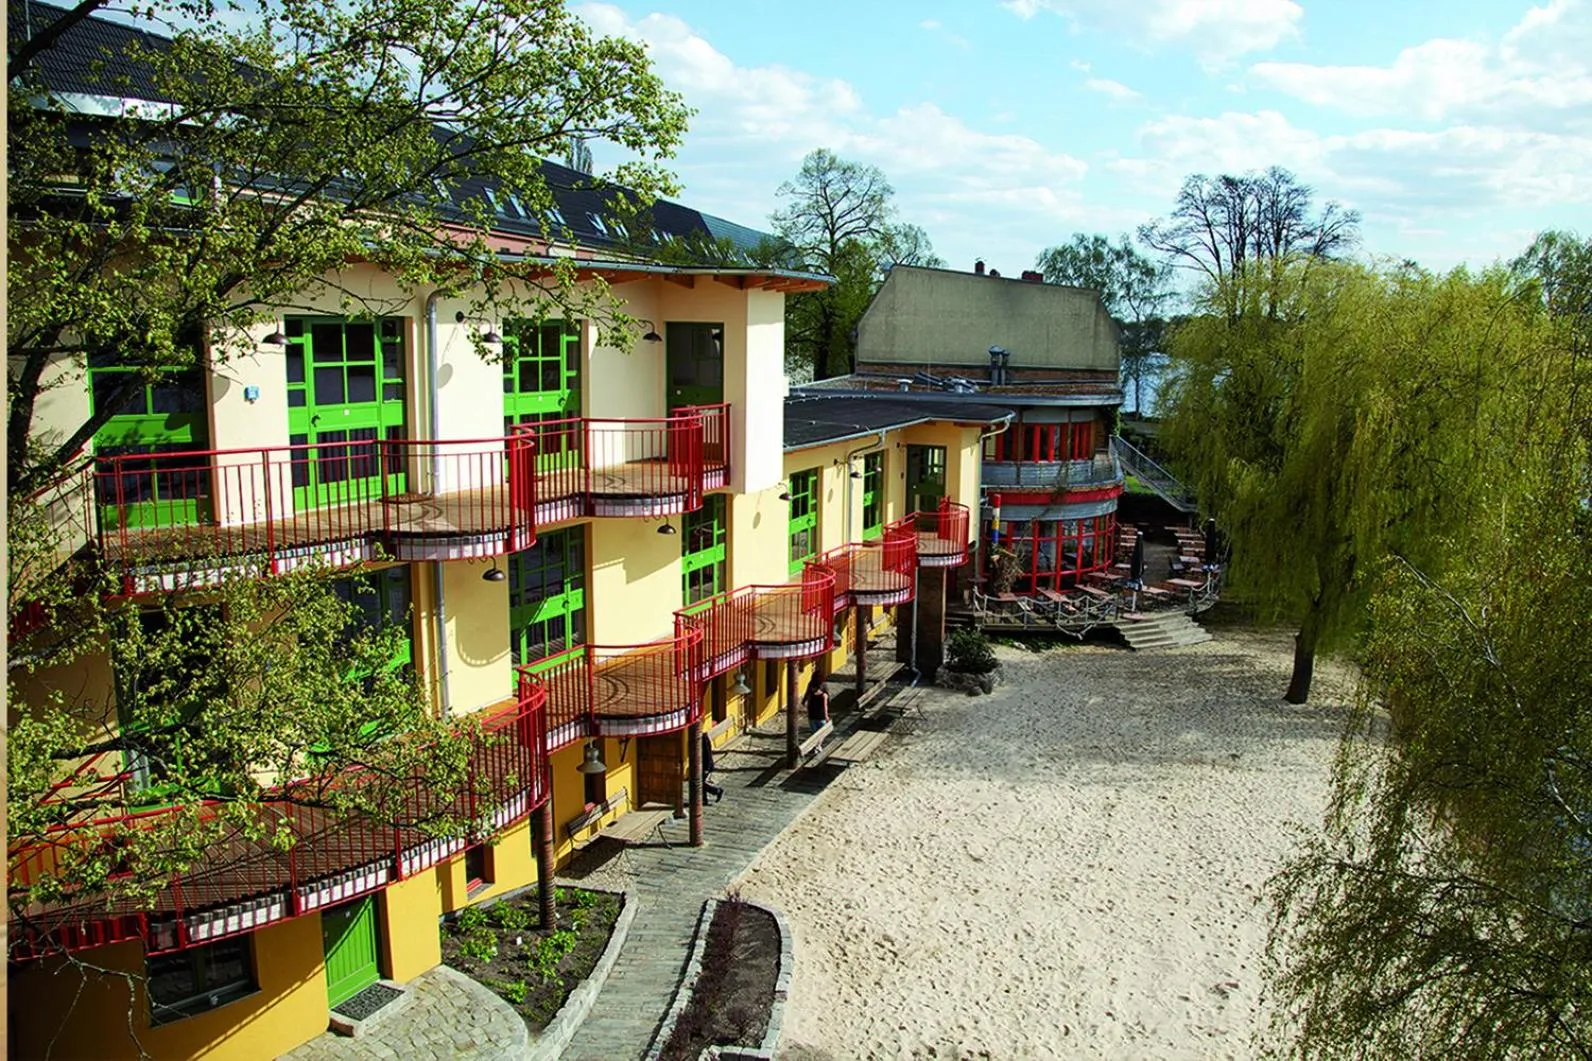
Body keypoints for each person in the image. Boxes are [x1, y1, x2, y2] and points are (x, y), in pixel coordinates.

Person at [700, 731, 724, 805]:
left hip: (706, 765)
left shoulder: (703, 740)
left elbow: (707, 754)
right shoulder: (704, 738)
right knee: (700, 782)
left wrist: (706, 768)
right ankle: (704, 799)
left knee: (700, 783)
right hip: (703, 765)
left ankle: (716, 791)